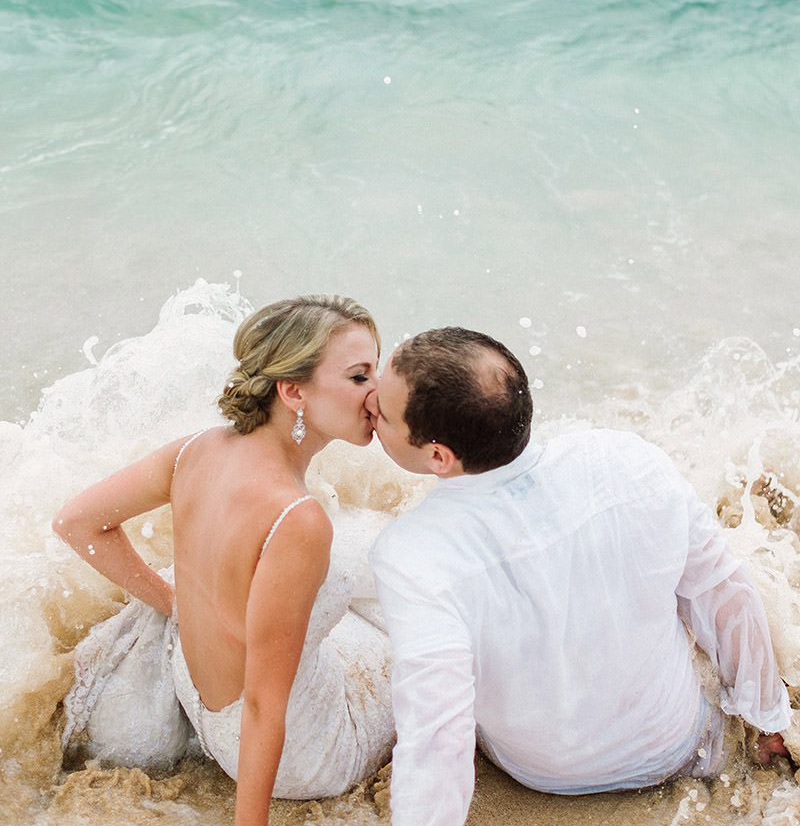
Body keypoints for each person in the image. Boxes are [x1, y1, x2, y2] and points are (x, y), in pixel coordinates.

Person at [366, 326, 792, 826]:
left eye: (382, 410)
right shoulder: (628, 461)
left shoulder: (412, 552)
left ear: (439, 456)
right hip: (675, 747)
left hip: (543, 774)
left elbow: (439, 733)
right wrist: (768, 720)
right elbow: (726, 594)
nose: (368, 399)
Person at [53, 295, 395, 826]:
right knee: (426, 644)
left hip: (203, 703)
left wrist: (172, 602)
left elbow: (76, 523)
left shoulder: (196, 449)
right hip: (300, 755)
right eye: (359, 376)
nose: (379, 392)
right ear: (293, 390)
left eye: (377, 370)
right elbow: (263, 705)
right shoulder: (297, 519)